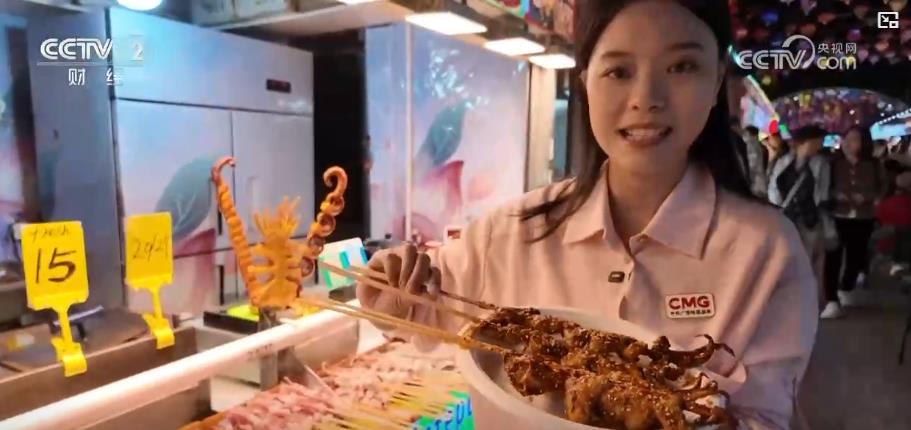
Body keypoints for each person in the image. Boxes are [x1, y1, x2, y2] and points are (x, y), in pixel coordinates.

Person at [358, 1, 817, 428]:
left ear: (716, 81)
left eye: (681, 66)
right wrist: (389, 290)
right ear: (585, 84)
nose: (646, 98)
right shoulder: (508, 234)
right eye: (618, 70)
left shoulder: (768, 252)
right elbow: (418, 308)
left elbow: (766, 417)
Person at [821, 127, 886, 318]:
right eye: (847, 139)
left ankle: (846, 287)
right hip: (837, 216)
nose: (849, 143)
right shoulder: (833, 163)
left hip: (863, 216)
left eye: (854, 139)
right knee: (832, 258)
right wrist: (835, 195)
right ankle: (831, 299)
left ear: (863, 142)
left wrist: (869, 197)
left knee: (856, 257)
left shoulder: (873, 164)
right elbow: (824, 186)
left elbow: (882, 186)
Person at [767, 126, 831, 306]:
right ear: (804, 142)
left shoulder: (820, 163)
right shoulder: (783, 162)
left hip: (809, 217)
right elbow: (774, 187)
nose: (819, 145)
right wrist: (778, 208)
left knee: (808, 258)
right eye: (817, 141)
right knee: (786, 256)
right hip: (787, 216)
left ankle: (806, 298)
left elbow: (822, 192)